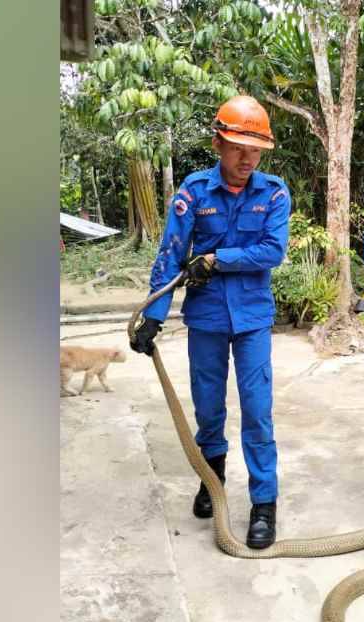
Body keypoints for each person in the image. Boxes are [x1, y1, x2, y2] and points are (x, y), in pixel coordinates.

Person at [130, 95, 290, 549]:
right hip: (206, 318)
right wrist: (153, 315)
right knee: (208, 407)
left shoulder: (274, 193)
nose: (247, 159)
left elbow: (271, 251)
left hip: (253, 318)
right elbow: (170, 255)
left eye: (255, 150)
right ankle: (212, 478)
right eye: (238, 147)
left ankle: (264, 502)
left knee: (258, 411)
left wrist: (218, 260)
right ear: (218, 143)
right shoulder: (193, 193)